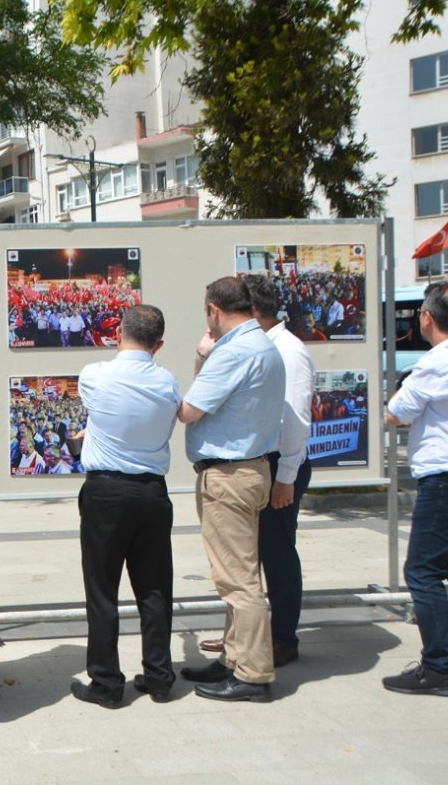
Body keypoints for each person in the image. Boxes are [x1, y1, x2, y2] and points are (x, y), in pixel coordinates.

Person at [176, 277, 285, 702]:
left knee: (239, 581)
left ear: (214, 311)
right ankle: (234, 658)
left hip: (229, 475)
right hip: (252, 468)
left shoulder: (233, 351)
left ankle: (254, 675)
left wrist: (201, 359)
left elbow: (189, 411)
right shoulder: (264, 345)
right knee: (238, 572)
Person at [69, 305, 181, 707]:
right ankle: (159, 676)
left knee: (102, 590)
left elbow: (98, 412)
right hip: (152, 491)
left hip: (107, 491)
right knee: (154, 589)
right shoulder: (168, 382)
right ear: (159, 344)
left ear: (118, 332)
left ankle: (106, 682)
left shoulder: (94, 375)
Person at [201, 276, 315, 666]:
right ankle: (245, 640)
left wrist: (285, 477)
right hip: (260, 463)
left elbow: (297, 420)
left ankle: (282, 638)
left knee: (276, 553)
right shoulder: (258, 347)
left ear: (251, 312)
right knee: (244, 558)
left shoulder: (288, 350)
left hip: (280, 465)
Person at [382, 282, 448, 696]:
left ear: (427, 318)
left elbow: (395, 414)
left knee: (421, 572)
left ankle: (438, 667)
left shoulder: (436, 363)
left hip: (445, 479)